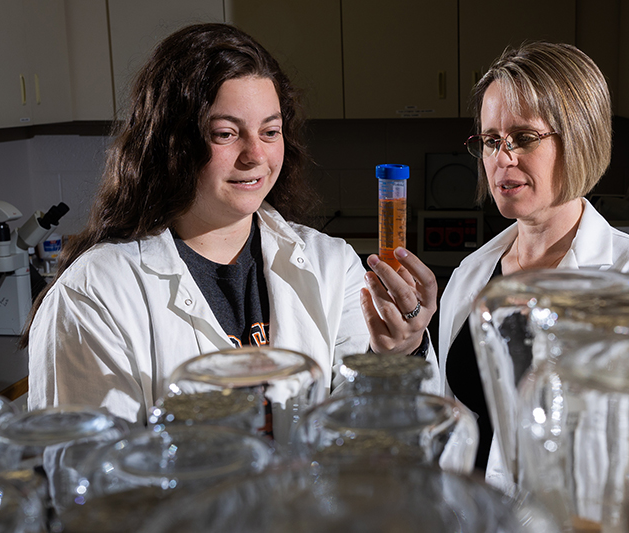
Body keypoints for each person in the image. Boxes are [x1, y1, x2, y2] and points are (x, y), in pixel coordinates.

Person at [22, 23, 439, 425]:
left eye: (270, 131)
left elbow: (366, 435)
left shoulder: (332, 267)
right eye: (225, 134)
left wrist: (399, 355)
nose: (255, 155)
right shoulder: (94, 294)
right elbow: (88, 473)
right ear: (172, 143)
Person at [438, 42, 629, 481]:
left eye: (523, 138)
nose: (502, 157)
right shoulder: (473, 273)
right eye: (491, 141)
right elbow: (453, 427)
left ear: (579, 136)